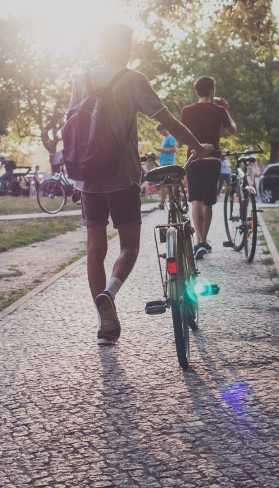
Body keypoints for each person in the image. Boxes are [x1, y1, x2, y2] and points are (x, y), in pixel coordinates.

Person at [67, 23, 211, 345]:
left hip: (89, 177)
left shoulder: (81, 80)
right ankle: (110, 292)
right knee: (129, 247)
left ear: (101, 47)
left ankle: (106, 326)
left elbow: (73, 128)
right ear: (127, 48)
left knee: (95, 249)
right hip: (123, 176)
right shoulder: (133, 80)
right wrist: (198, 148)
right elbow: (168, 122)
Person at [180, 76, 237, 259]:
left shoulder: (186, 110)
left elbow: (182, 133)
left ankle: (198, 242)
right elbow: (233, 130)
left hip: (194, 159)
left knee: (196, 199)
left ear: (197, 91)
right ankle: (204, 240)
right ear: (212, 91)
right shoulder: (219, 110)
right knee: (209, 201)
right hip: (213, 159)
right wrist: (226, 111)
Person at [155, 124, 177, 209]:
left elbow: (173, 149)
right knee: (167, 185)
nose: (160, 133)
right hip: (163, 164)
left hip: (168, 163)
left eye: (160, 131)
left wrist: (161, 149)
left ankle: (162, 204)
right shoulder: (165, 139)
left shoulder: (170, 137)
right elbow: (163, 152)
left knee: (164, 185)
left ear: (164, 129)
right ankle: (180, 197)